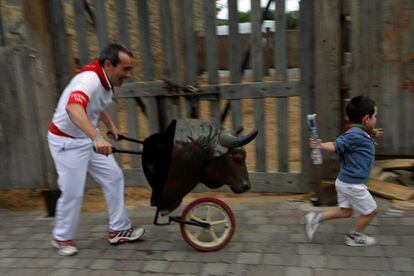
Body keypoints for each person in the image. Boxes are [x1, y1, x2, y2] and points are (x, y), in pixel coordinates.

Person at [47, 44, 144, 256]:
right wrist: (97, 137)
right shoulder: (88, 80)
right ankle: (61, 237)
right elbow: (74, 108)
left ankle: (119, 229)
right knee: (72, 192)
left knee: (114, 176)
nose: (129, 74)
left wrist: (110, 126)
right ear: (109, 64)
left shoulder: (106, 79)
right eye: (126, 69)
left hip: (86, 137)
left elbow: (96, 105)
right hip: (67, 142)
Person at [305, 95, 383, 246]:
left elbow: (360, 134)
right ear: (366, 119)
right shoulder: (353, 135)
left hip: (345, 181)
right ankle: (354, 236)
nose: (376, 119)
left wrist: (373, 133)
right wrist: (320, 145)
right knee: (371, 211)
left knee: (346, 211)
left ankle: (315, 218)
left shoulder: (358, 131)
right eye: (375, 116)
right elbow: (336, 145)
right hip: (353, 184)